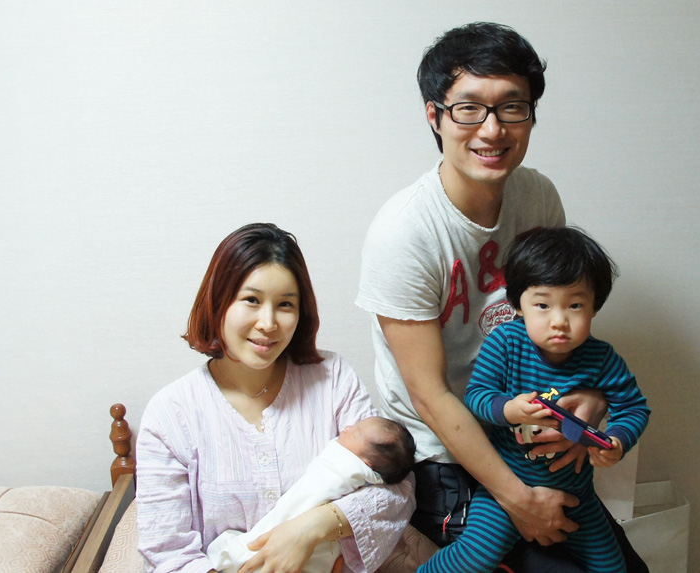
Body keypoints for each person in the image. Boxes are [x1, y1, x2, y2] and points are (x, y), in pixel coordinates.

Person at [356, 21, 647, 572]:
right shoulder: (404, 233)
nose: (492, 129)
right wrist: (518, 500)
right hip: (444, 452)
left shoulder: (537, 196)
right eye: (469, 108)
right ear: (435, 116)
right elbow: (430, 396)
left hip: (530, 432)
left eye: (512, 107)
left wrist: (589, 400)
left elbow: (559, 322)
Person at [137, 223, 415, 573]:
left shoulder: (332, 379)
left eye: (285, 304)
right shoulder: (170, 415)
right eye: (251, 300)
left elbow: (397, 488)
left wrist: (310, 529)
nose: (268, 323)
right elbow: (167, 553)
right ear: (218, 301)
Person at [418, 226, 650, 573]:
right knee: (474, 557)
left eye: (575, 305)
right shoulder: (506, 342)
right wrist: (508, 409)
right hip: (504, 492)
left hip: (577, 494)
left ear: (594, 307)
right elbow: (477, 396)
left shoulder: (601, 358)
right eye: (543, 305)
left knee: (614, 567)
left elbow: (633, 407)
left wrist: (617, 440)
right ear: (518, 305)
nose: (559, 321)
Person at [208, 416, 417, 573]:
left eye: (355, 433)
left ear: (367, 464)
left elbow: (402, 491)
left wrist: (314, 526)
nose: (347, 428)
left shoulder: (344, 469)